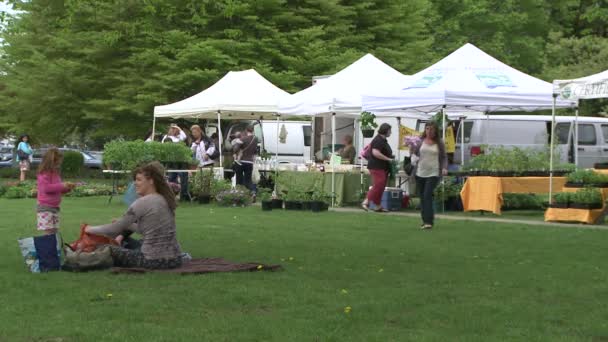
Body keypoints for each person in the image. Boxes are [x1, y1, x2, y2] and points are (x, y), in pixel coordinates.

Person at [86, 162, 183, 269]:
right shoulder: (164, 199)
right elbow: (147, 230)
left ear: (151, 181)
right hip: (175, 260)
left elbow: (114, 229)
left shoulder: (142, 202)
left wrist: (89, 229)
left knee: (103, 247)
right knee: (127, 241)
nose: (135, 183)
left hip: (153, 261)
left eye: (139, 179)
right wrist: (126, 225)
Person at [411, 122, 448, 230]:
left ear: (435, 131)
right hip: (420, 172)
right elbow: (414, 154)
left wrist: (444, 167)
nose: (429, 131)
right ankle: (425, 220)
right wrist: (411, 151)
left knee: (427, 195)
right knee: (422, 197)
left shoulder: (439, 143)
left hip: (433, 173)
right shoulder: (420, 142)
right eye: (427, 129)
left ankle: (428, 222)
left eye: (431, 129)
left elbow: (444, 157)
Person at [36, 148, 76, 234]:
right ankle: (47, 247)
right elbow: (46, 188)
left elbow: (57, 188)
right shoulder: (43, 173)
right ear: (50, 162)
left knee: (54, 231)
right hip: (45, 207)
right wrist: (62, 185)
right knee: (49, 232)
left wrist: (67, 188)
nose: (58, 165)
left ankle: (53, 247)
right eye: (57, 163)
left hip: (54, 207)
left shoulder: (55, 174)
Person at [363, 123, 394, 213]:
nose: (391, 133)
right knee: (378, 184)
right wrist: (388, 158)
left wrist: (390, 156)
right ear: (386, 130)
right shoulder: (378, 140)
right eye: (390, 131)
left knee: (381, 186)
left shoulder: (383, 140)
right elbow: (375, 152)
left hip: (382, 166)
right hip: (376, 166)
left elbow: (382, 151)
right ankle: (366, 202)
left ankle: (377, 205)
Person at [162, 124, 190, 201]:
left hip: (180, 162)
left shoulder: (178, 138)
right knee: (171, 178)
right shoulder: (166, 137)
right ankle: (171, 196)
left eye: (174, 129)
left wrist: (178, 128)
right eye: (171, 129)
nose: (173, 130)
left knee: (182, 179)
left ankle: (183, 196)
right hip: (171, 161)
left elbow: (184, 136)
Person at [232, 125, 258, 193]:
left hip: (240, 162)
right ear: (253, 130)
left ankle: (239, 194)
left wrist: (236, 145)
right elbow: (255, 151)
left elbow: (235, 149)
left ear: (246, 130)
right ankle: (253, 192)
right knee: (248, 181)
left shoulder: (243, 139)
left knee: (239, 180)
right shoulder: (255, 139)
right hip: (250, 162)